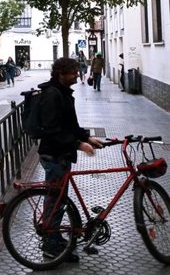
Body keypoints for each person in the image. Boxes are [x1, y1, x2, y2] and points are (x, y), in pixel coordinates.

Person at [38, 57, 104, 261]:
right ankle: (51, 245)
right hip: (54, 155)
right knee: (55, 202)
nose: (77, 74)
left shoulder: (63, 93)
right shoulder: (52, 95)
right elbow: (52, 130)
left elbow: (70, 125)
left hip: (61, 154)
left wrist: (86, 137)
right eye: (73, 71)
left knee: (57, 200)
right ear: (61, 74)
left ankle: (55, 238)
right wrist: (78, 144)